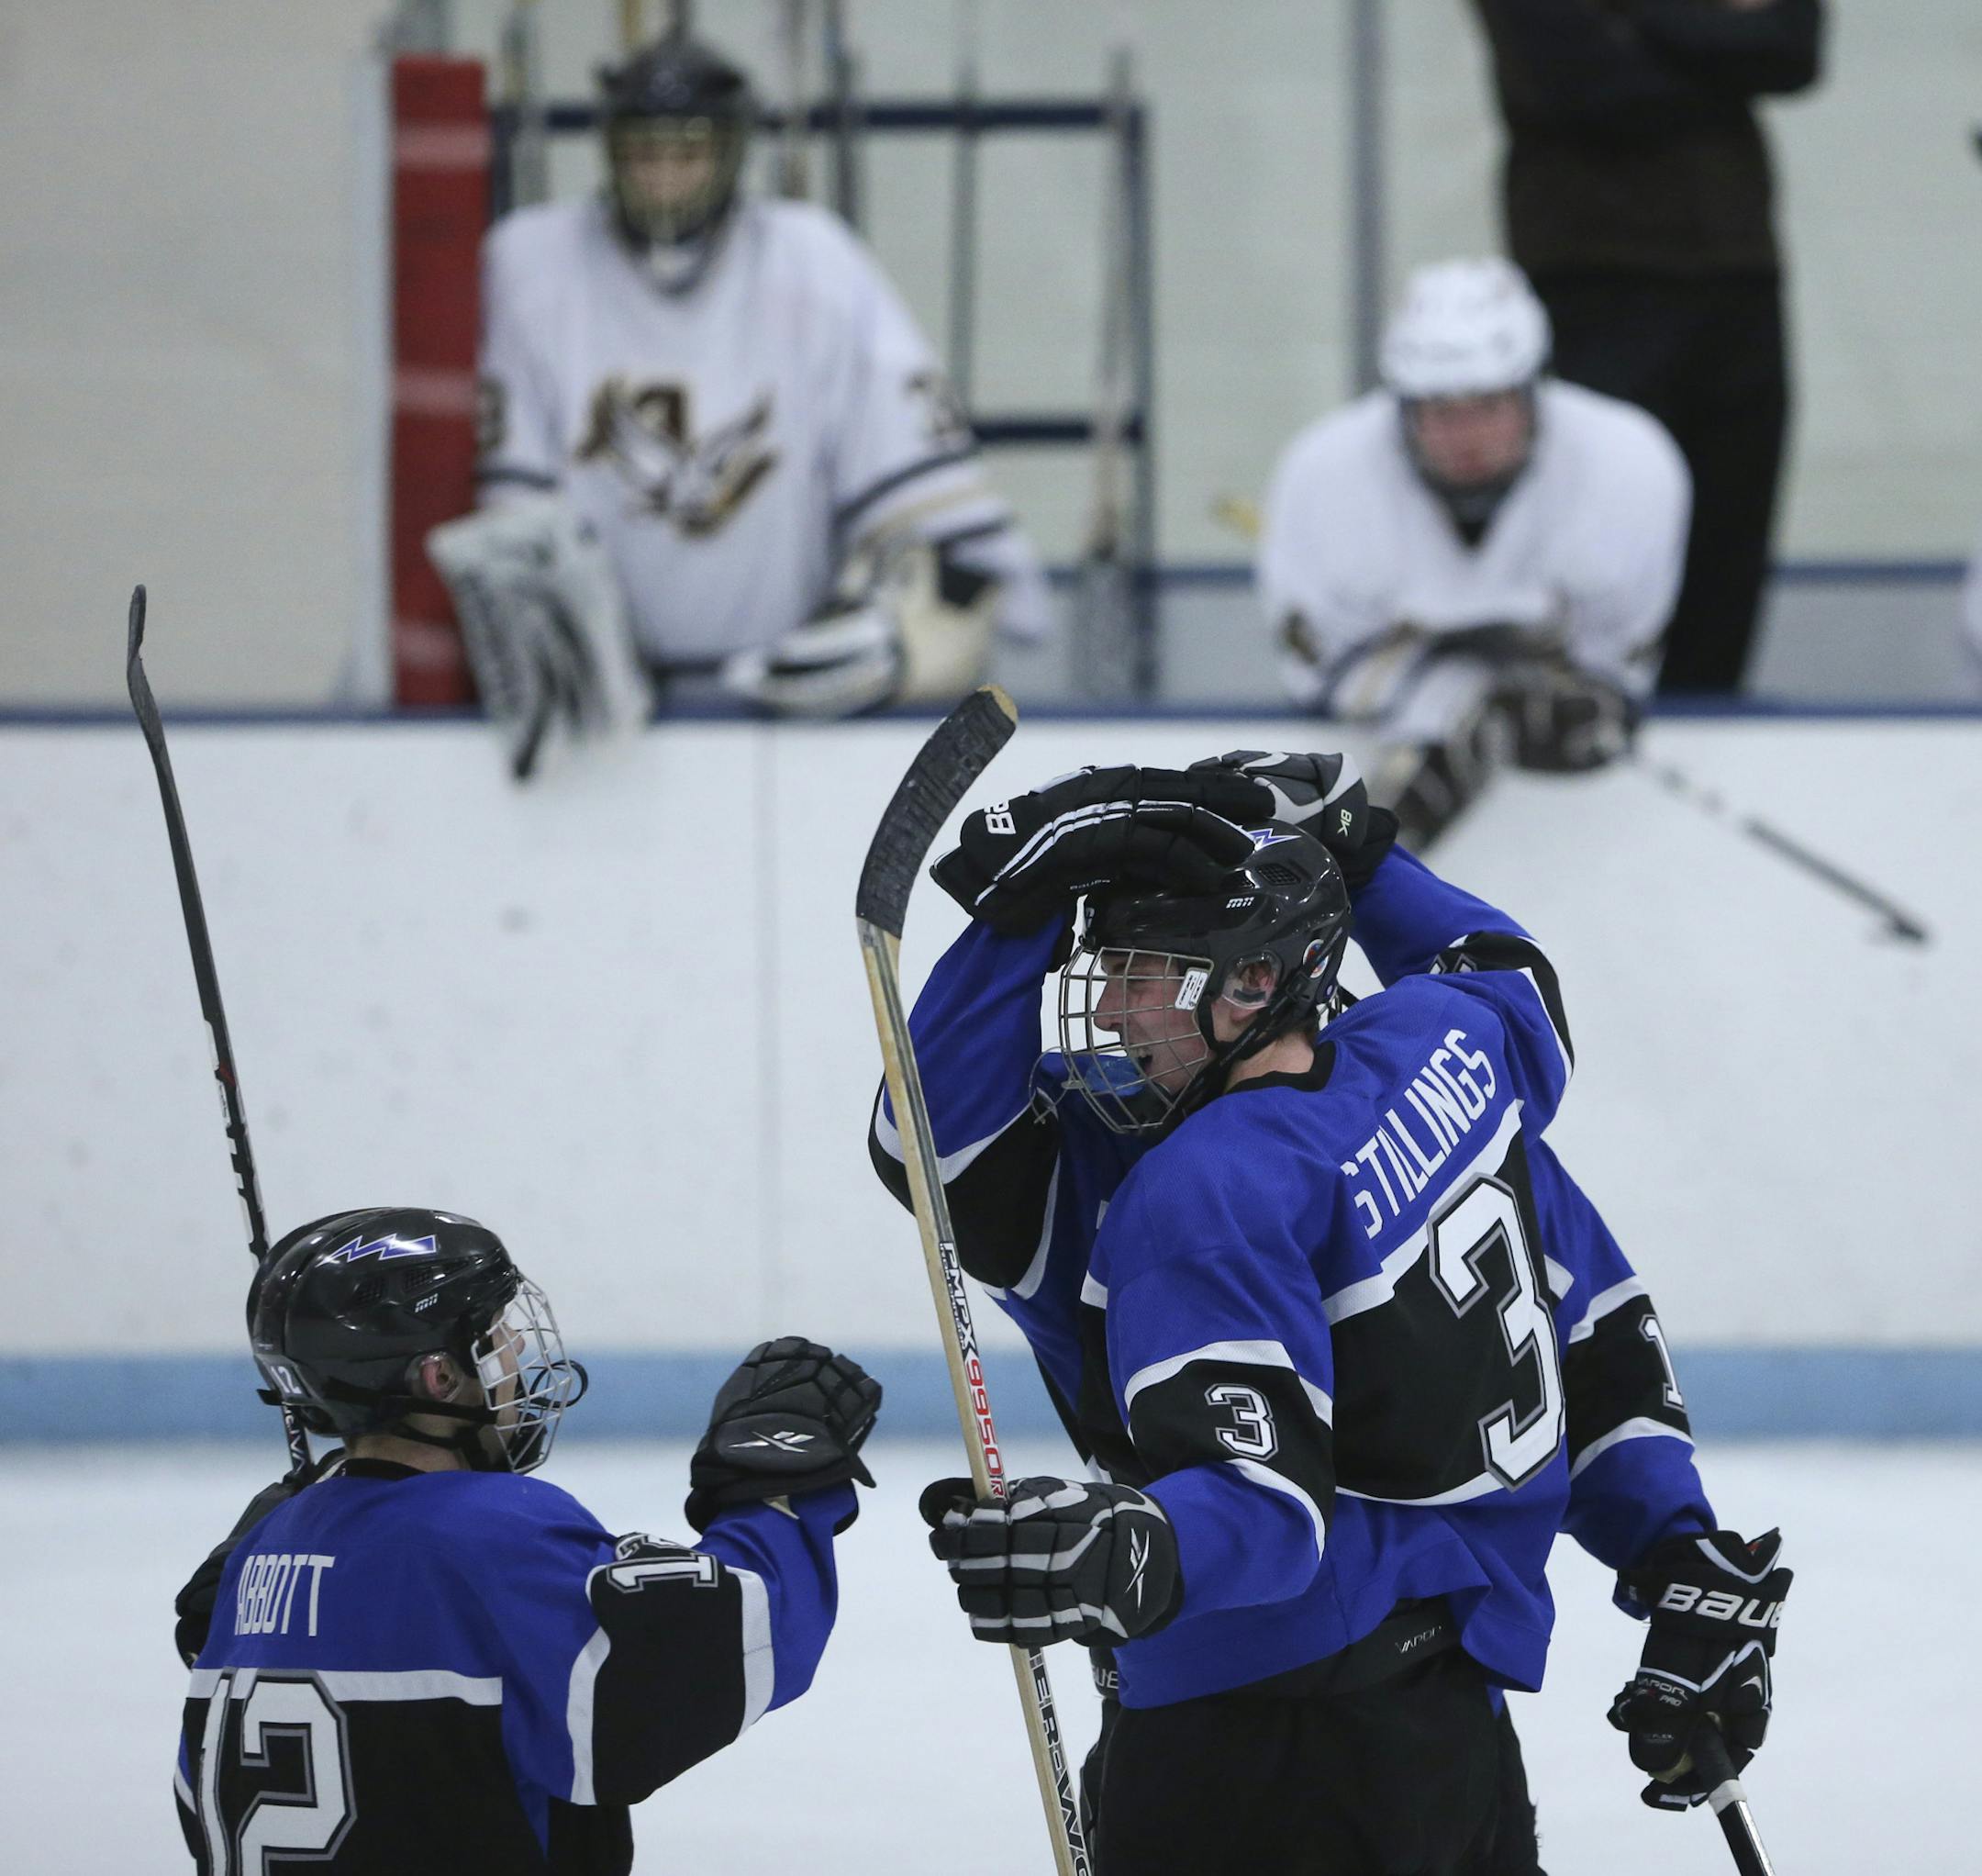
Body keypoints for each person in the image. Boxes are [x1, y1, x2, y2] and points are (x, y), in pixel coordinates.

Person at [870, 755, 1789, 1874]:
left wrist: (1020, 911)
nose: (1109, 1009)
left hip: (1259, 1751)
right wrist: (1677, 1548)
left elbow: (926, 1137)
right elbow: (1587, 1313)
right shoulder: (1450, 1052)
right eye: (1101, 968)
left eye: (1146, 977)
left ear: (1253, 984)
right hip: (1453, 1732)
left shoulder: (1176, 1186)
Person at [172, 1206, 881, 1874]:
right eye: (492, 1336)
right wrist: (777, 1493)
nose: (514, 1350)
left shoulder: (261, 1556)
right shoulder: (483, 1533)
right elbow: (727, 1646)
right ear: (439, 1377)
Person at [429, 29, 1051, 779]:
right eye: (644, 153)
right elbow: (504, 522)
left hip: (784, 731)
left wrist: (897, 650)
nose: (664, 177)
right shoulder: (530, 265)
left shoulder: (812, 262)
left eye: (686, 153)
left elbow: (947, 546)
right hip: (593, 740)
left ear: (732, 151)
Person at [1259, 257, 1691, 848]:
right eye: (1439, 411)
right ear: (1403, 405)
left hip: (1576, 836)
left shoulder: (1631, 465)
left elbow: (1614, 670)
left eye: (1488, 406)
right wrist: (1460, 699)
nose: (1465, 436)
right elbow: (1319, 674)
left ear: (1534, 389)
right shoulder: (1320, 474)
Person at [1470, 0, 1826, 697]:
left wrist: (1632, 18)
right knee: (1599, 539)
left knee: (1727, 550)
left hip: (1738, 275)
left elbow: (1791, 51)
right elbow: (1581, 87)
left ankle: (1708, 722)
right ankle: (1580, 718)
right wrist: (1719, 40)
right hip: (1592, 279)